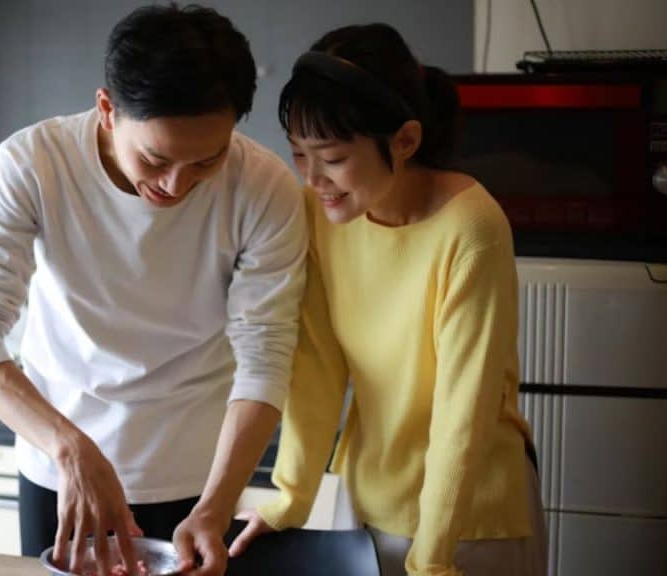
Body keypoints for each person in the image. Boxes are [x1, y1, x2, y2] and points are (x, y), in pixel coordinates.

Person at [0, 4, 307, 575]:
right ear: (108, 111)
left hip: (199, 481)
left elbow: (265, 356)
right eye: (156, 158)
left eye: (206, 160)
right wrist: (68, 447)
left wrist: (215, 506)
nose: (176, 185)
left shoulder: (264, 189)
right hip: (61, 474)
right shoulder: (34, 164)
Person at [228, 23, 546, 576]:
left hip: (470, 521)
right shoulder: (319, 215)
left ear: (405, 141)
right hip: (367, 505)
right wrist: (289, 498)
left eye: (330, 157)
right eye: (299, 155)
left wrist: (435, 552)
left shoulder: (471, 227)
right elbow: (317, 367)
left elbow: (462, 407)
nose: (313, 178)